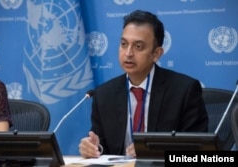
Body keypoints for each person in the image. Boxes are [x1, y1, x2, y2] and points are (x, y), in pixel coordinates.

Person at [79, 10, 208, 158]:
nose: (128, 53)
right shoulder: (104, 94)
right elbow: (103, 145)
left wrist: (156, 152)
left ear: (156, 54)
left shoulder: (184, 91)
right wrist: (95, 148)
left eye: (138, 46)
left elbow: (198, 149)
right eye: (123, 44)